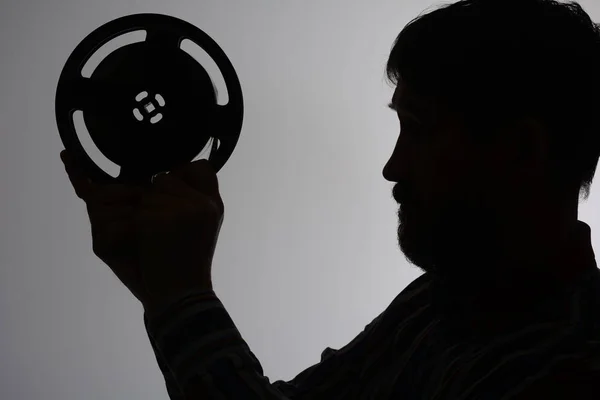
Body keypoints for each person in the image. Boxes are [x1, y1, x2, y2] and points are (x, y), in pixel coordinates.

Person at [61, 0, 600, 398]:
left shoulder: (564, 367)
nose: (392, 167)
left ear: (520, 149)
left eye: (417, 128)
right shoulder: (433, 311)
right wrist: (160, 289)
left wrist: (181, 297)